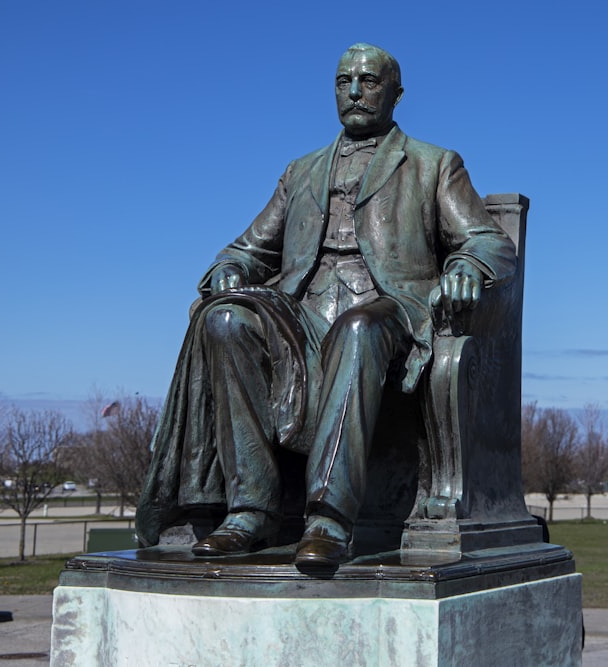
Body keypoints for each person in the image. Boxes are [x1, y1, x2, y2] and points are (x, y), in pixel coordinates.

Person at [135, 43, 515, 567]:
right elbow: (247, 248)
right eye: (344, 81)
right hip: (302, 314)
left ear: (396, 94)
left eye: (369, 81)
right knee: (223, 318)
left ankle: (329, 521)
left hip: (387, 309)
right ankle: (250, 510)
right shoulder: (301, 171)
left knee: (358, 328)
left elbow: (489, 241)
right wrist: (230, 269)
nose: (355, 92)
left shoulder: (433, 164)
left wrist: (467, 266)